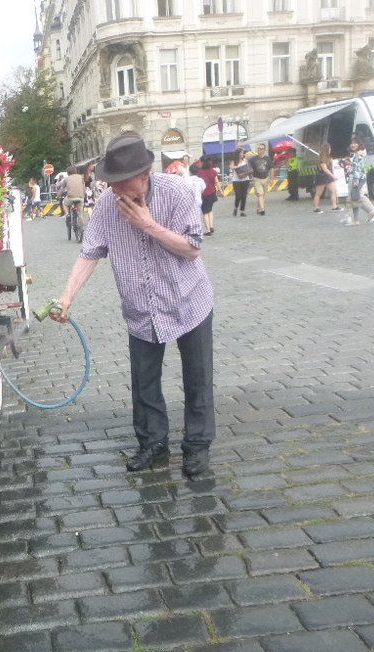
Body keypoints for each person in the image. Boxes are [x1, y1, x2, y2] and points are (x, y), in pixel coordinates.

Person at [50, 132, 215, 478]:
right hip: (142, 310)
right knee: (144, 384)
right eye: (111, 184)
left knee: (197, 379)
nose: (115, 192)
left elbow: (192, 248)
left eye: (121, 184)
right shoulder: (108, 206)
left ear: (144, 175)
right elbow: (88, 254)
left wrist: (149, 225)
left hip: (188, 301)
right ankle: (153, 445)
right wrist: (66, 296)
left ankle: (197, 447)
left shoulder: (177, 193)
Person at [341, 135, 374, 226]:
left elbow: (358, 168)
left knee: (358, 197)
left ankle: (373, 212)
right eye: (351, 143)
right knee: (353, 198)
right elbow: (356, 166)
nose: (353, 145)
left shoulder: (360, 154)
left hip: (357, 178)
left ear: (359, 144)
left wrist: (355, 181)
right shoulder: (357, 154)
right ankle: (354, 219)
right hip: (355, 177)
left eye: (355, 143)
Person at [195, 156, 222, 235]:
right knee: (210, 210)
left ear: (202, 162)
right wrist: (221, 191)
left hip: (204, 195)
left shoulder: (199, 172)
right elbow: (217, 182)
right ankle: (211, 226)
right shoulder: (213, 171)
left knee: (205, 213)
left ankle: (208, 230)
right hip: (212, 193)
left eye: (200, 162)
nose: (199, 163)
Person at [312, 143, 342, 213]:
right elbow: (325, 169)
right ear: (326, 149)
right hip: (322, 177)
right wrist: (333, 176)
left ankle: (334, 206)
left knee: (334, 191)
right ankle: (316, 208)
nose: (330, 149)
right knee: (319, 193)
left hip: (327, 177)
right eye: (329, 148)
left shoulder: (328, 158)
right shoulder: (322, 159)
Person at [249, 143, 273, 215]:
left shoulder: (268, 159)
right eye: (258, 148)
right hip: (257, 179)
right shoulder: (253, 159)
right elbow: (248, 165)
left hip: (265, 178)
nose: (259, 150)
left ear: (264, 150)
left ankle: (259, 208)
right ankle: (262, 209)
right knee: (260, 193)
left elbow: (271, 169)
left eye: (261, 148)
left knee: (263, 195)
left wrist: (271, 179)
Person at [229, 147, 252, 217]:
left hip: (246, 179)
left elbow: (248, 167)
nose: (242, 154)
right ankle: (235, 208)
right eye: (241, 153)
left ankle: (242, 211)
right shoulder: (234, 161)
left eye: (243, 153)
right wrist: (238, 167)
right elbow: (231, 167)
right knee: (238, 195)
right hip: (236, 180)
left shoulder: (245, 159)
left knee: (244, 196)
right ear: (238, 154)